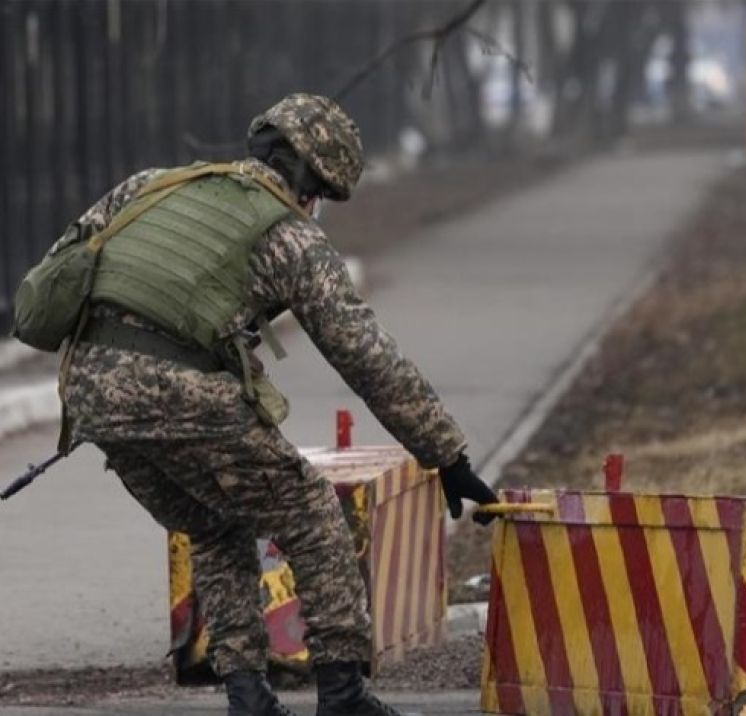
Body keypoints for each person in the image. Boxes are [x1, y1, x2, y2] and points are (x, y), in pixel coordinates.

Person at [55, 93, 499, 716]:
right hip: (184, 395)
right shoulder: (288, 235)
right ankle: (342, 695)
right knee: (311, 514)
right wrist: (446, 455)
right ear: (307, 179)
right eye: (319, 194)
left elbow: (66, 261)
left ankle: (249, 697)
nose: (315, 207)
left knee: (214, 521)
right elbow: (365, 354)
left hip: (89, 395)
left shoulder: (150, 187)